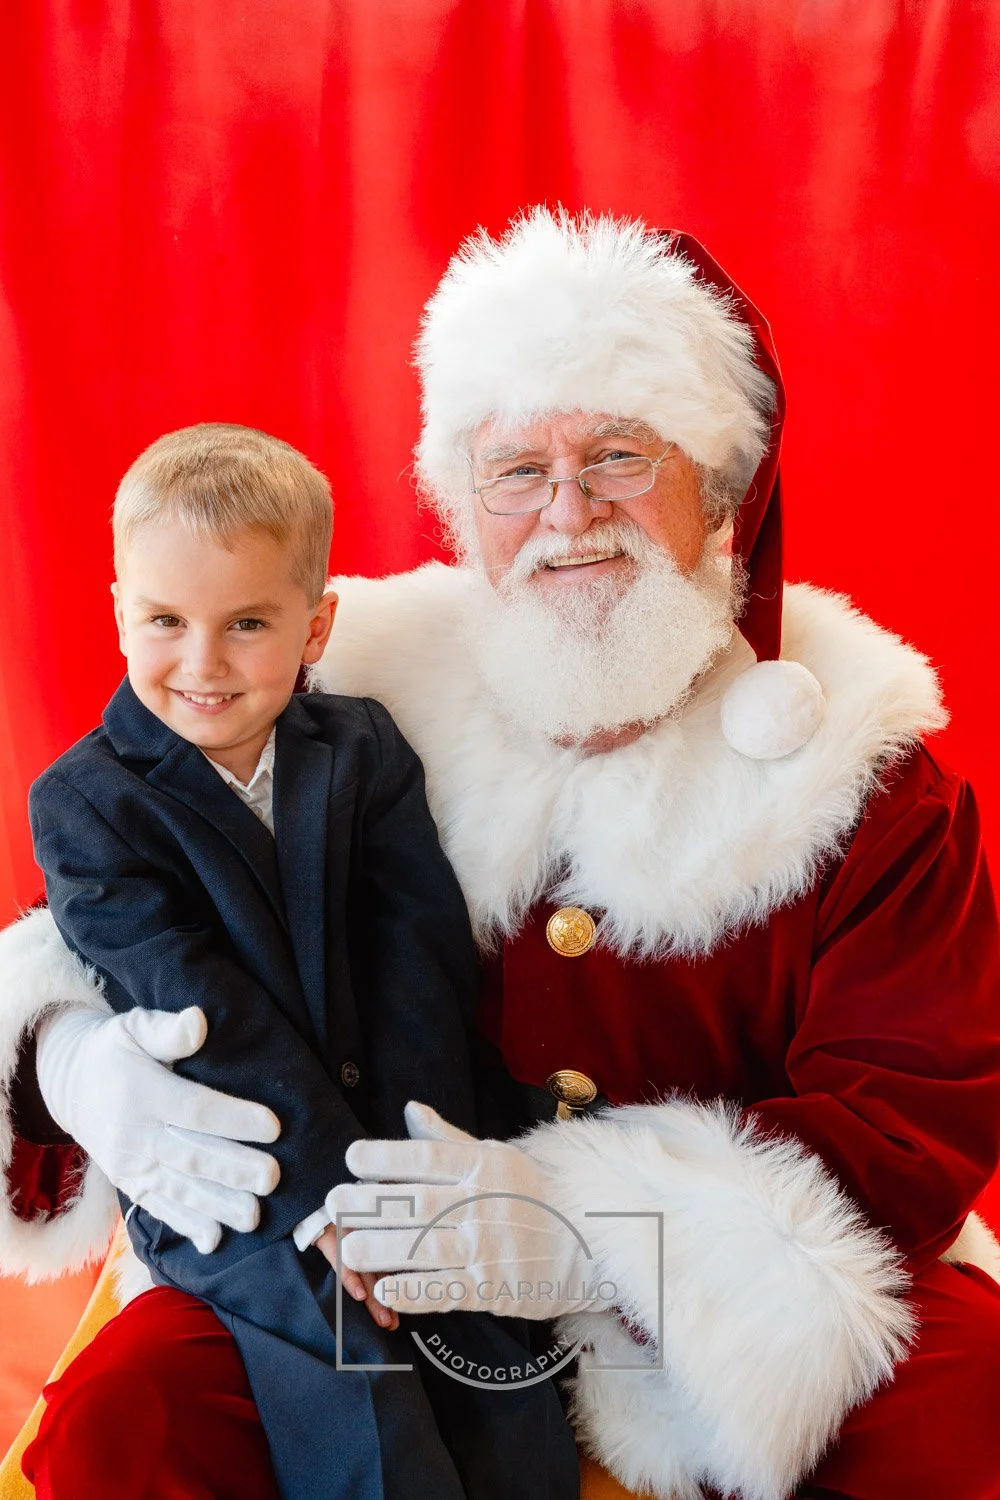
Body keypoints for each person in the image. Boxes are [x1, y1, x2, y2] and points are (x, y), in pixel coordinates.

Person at [1, 208, 999, 1500]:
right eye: (516, 468)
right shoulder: (344, 676)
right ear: (463, 503)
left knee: (965, 1405)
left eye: (620, 457)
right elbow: (103, 882)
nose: (567, 512)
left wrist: (595, 1234)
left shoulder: (862, 772)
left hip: (695, 1324)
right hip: (366, 1274)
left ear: (723, 494)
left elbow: (907, 1117)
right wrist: (71, 1063)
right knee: (124, 1423)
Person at [22, 422, 578, 1500]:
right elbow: (195, 1003)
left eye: (245, 624)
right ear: (118, 613)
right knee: (351, 1379)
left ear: (314, 623)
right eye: (164, 622)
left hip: (396, 1148)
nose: (201, 663)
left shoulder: (361, 748)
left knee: (497, 1376)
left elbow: (417, 960)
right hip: (235, 1177)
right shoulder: (85, 802)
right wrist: (331, 1206)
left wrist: (411, 1179)